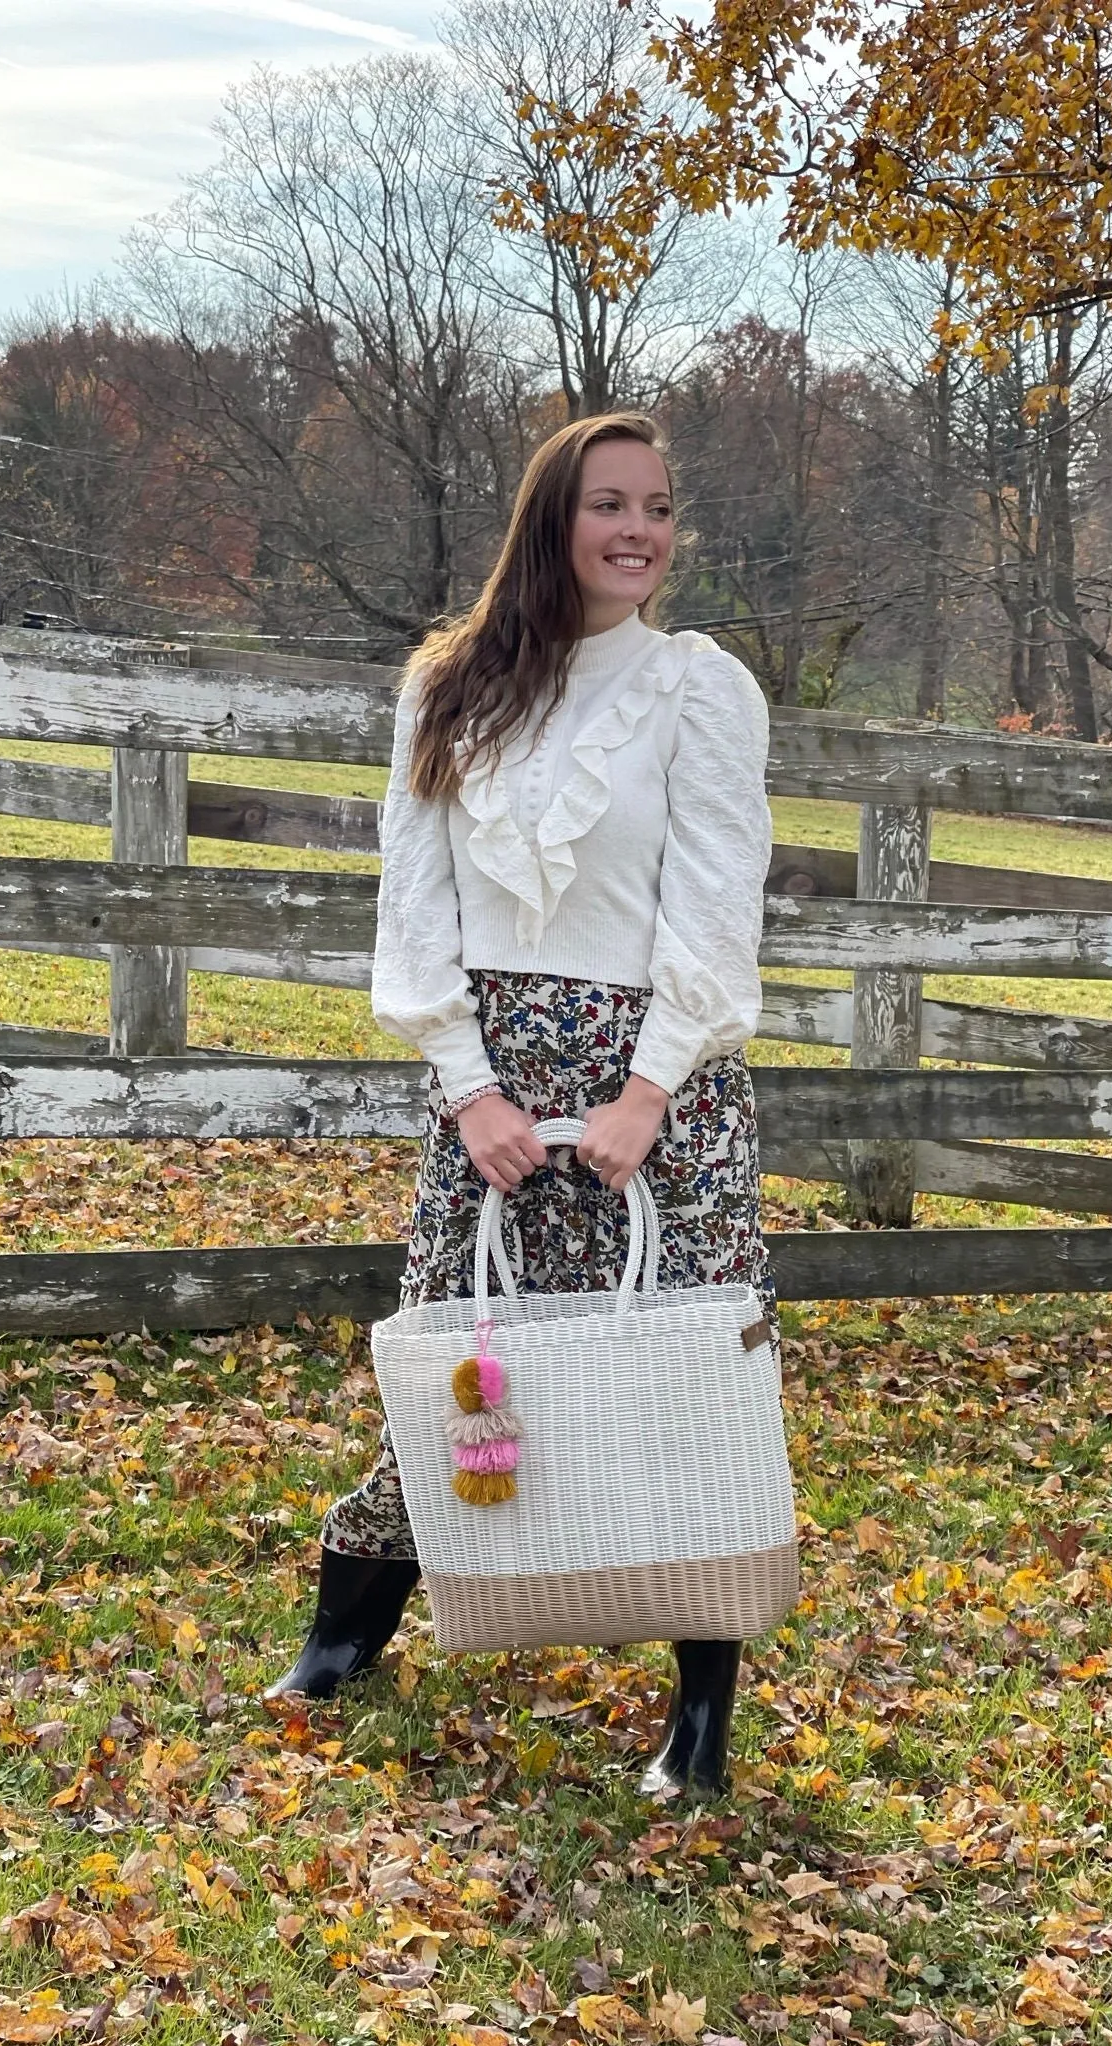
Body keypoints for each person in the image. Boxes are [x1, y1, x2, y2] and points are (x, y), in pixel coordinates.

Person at [268, 412, 777, 1798]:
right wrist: (470, 1082)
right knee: (462, 1360)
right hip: (489, 1082)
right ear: (551, 520)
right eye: (610, 503)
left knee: (675, 1379)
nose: (640, 532)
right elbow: (415, 902)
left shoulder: (699, 691)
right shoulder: (449, 684)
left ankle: (701, 1718)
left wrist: (648, 1090)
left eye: (660, 509)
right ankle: (342, 1638)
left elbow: (719, 908)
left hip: (656, 1090)